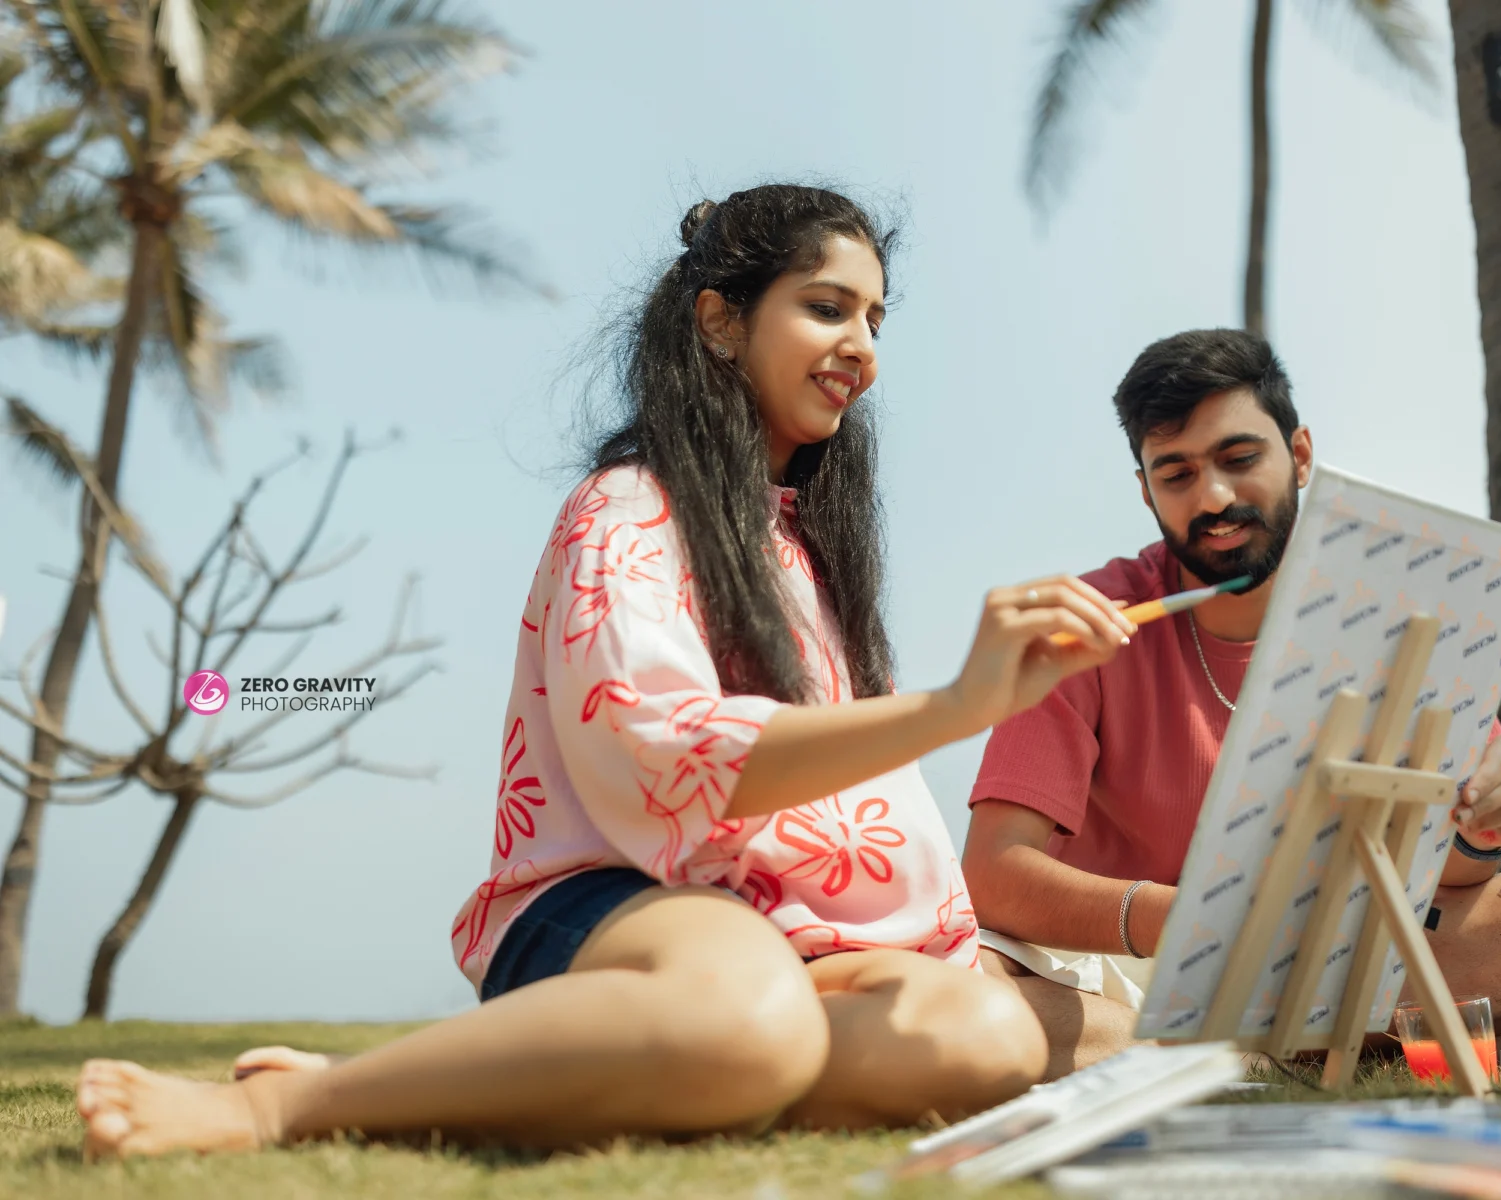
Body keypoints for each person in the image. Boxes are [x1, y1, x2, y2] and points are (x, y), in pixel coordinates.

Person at [76, 185, 1140, 1157]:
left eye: (874, 319)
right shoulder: (628, 510)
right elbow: (659, 755)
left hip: (787, 944)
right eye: (827, 308)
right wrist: (957, 706)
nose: (860, 346)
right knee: (747, 1017)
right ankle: (295, 1104)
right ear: (719, 320)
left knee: (978, 1037)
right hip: (617, 908)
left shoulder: (808, 551)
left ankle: (647, 1075)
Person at [962, 329, 1501, 1079]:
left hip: (1337, 960)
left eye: (1238, 460)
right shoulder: (1095, 620)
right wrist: (1195, 924)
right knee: (978, 995)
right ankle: (1308, 1055)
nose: (1214, 499)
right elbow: (994, 874)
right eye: (1178, 473)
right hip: (1128, 967)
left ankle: (1242, 1057)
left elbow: (1440, 874)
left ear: (1299, 455)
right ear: (1145, 490)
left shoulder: (1400, 608)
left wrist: (1487, 828)